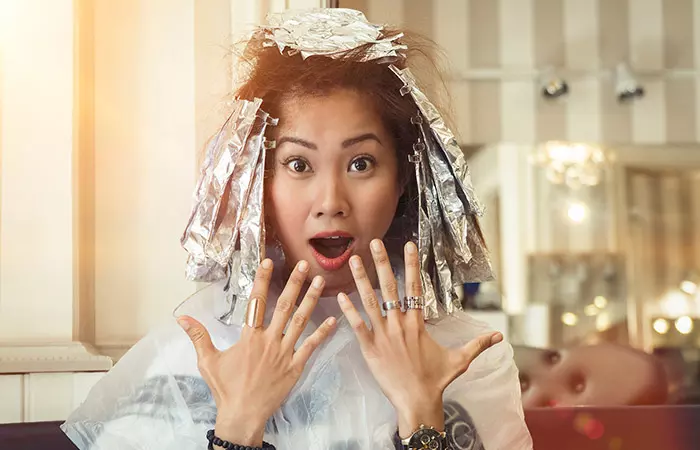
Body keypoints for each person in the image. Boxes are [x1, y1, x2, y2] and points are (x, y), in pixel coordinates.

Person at [62, 8, 532, 450]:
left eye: (361, 163)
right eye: (299, 164)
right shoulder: (203, 347)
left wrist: (421, 414)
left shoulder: (463, 357)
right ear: (258, 179)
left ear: (403, 179)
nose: (330, 202)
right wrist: (239, 422)